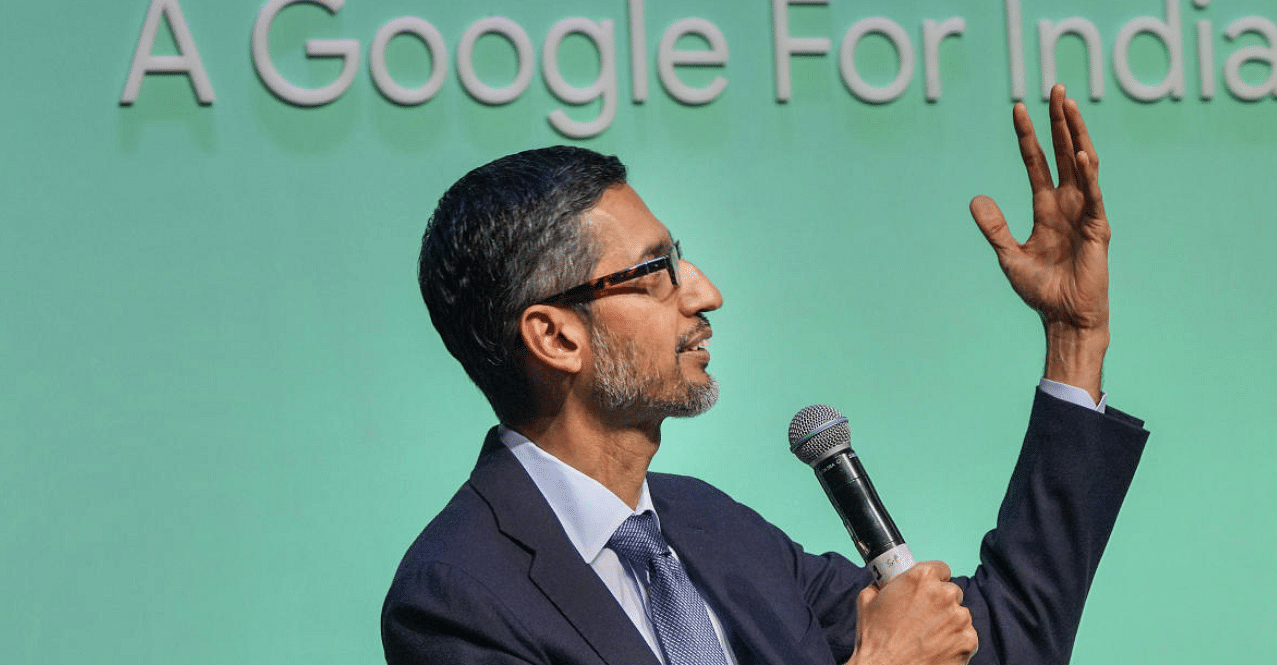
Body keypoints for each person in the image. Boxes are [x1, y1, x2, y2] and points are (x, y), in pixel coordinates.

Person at [381, 84, 1148, 665]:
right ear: (554, 336)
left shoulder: (710, 529)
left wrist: (1071, 339)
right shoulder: (457, 597)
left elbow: (991, 644)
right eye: (653, 272)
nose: (704, 291)